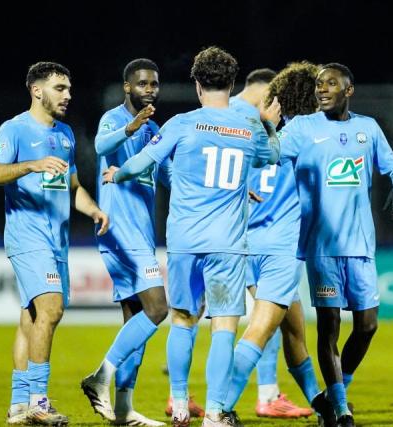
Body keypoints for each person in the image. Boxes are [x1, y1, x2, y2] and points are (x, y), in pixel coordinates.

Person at [101, 46, 280, 427]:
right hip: (228, 245)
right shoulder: (247, 127)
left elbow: (143, 162)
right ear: (231, 85)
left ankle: (180, 405)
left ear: (198, 85)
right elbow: (271, 157)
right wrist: (268, 125)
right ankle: (215, 412)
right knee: (224, 328)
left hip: (184, 242)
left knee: (182, 321)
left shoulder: (181, 124)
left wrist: (117, 175)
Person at [277, 63, 393, 427]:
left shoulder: (368, 129)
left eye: (330, 84)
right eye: (319, 84)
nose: (322, 89)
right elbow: (268, 154)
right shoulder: (302, 128)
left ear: (348, 90)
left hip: (361, 246)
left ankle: (338, 391)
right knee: (329, 326)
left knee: (367, 326)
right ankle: (341, 410)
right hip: (322, 246)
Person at [0, 61, 110, 426]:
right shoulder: (15, 129)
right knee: (52, 310)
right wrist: (30, 165)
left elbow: (73, 188)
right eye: (60, 88)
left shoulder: (66, 134)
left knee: (31, 318)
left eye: (69, 89)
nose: (68, 95)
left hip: (58, 241)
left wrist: (93, 210)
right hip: (27, 236)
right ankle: (40, 402)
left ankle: (18, 405)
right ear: (37, 91)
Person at [222, 62, 326, 423]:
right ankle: (220, 407)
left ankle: (322, 402)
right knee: (261, 329)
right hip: (278, 249)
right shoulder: (303, 137)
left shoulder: (253, 136)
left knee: (294, 328)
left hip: (246, 243)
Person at [79, 58, 168, 427]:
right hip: (120, 228)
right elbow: (102, 145)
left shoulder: (155, 130)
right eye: (143, 83)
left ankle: (123, 409)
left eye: (155, 83)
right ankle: (100, 376)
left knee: (136, 319)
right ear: (128, 87)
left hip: (142, 231)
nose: (150, 89)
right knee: (158, 308)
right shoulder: (115, 119)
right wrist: (131, 128)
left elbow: (169, 174)